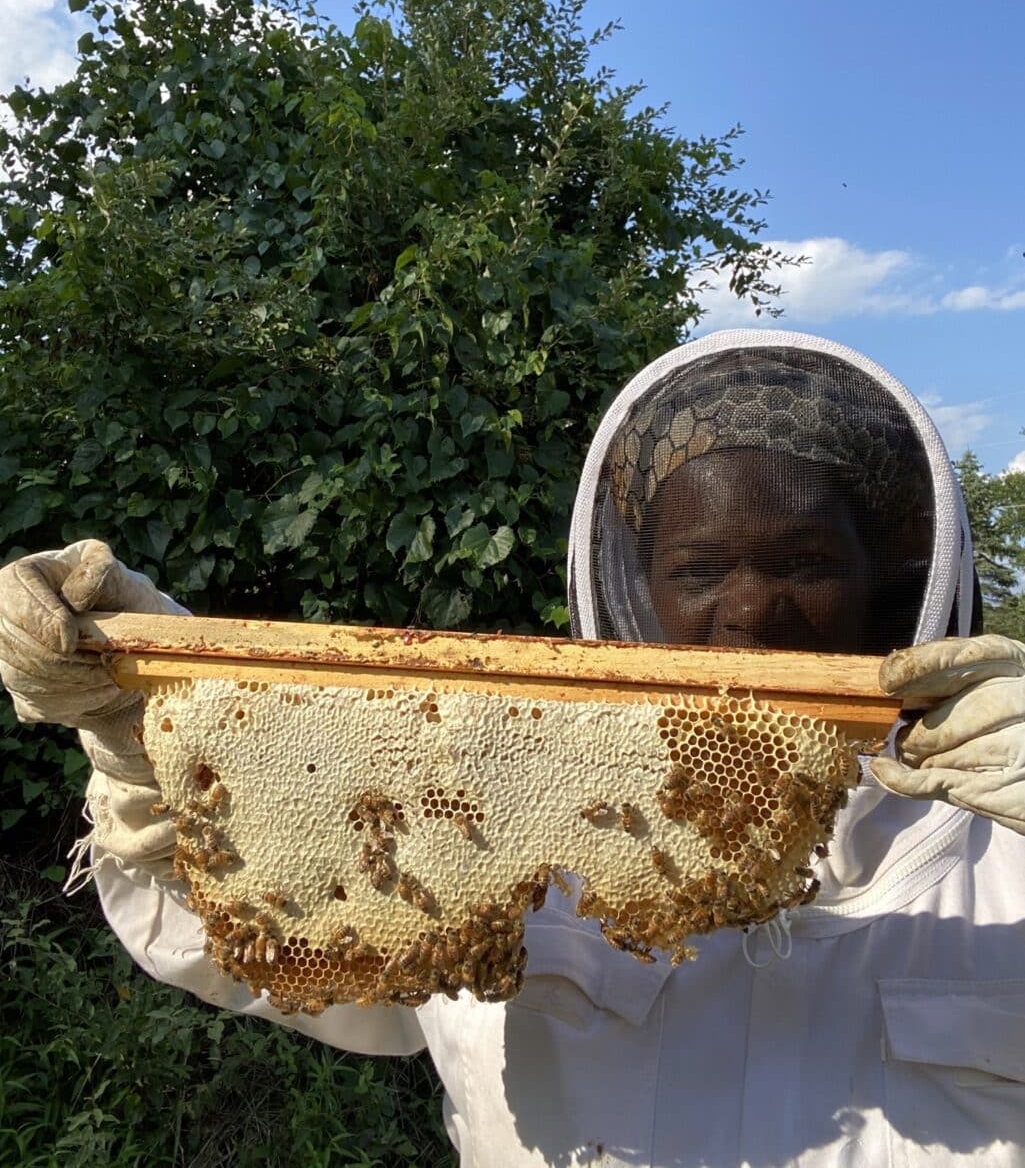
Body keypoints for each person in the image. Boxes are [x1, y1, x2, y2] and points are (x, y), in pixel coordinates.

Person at [3, 327, 1025, 1166]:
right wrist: (154, 736)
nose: (749, 608)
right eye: (699, 565)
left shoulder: (1001, 830)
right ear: (634, 588)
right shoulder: (493, 819)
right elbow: (251, 943)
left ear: (886, 577)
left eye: (804, 559)